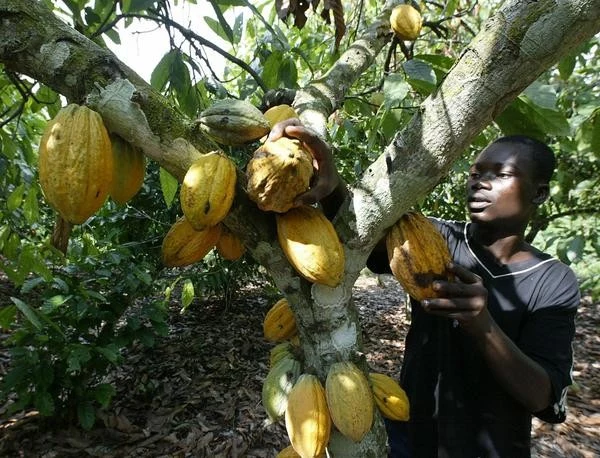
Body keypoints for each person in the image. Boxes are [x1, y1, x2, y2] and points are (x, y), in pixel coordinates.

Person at [268, 120, 580, 457]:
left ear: (539, 193)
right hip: (410, 432)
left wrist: (483, 326)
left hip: (487, 446)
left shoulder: (552, 279)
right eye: (475, 173)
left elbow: (544, 397)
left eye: (500, 174)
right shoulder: (433, 237)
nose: (479, 183)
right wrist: (329, 179)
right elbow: (362, 240)